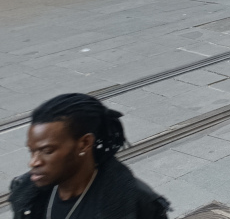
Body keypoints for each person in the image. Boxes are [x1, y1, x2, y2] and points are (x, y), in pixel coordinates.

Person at [12, 94, 170, 219]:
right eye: (32, 151)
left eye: (47, 151)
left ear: (84, 143)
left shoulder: (135, 202)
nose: (33, 162)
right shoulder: (26, 194)